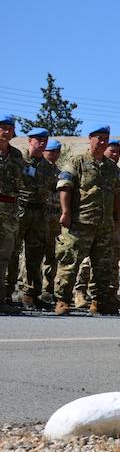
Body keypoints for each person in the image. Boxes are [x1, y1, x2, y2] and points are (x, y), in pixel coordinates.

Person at [53, 124, 120, 316]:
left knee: (103, 265)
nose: (102, 142)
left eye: (106, 139)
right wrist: (66, 212)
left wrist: (117, 220)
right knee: (70, 262)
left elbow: (117, 195)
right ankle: (62, 300)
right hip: (80, 222)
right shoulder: (77, 162)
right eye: (99, 138)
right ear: (90, 138)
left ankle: (99, 301)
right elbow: (65, 187)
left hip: (104, 224)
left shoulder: (111, 167)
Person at [75, 138, 120, 307]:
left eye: (118, 151)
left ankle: (109, 293)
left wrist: (118, 223)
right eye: (112, 151)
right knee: (85, 260)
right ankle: (80, 292)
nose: (115, 154)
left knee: (111, 258)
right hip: (89, 220)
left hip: (111, 221)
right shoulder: (90, 167)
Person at [9, 127, 56, 310]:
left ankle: (30, 294)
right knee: (12, 252)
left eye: (45, 140)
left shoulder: (47, 166)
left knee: (35, 255)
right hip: (20, 210)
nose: (42, 143)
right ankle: (7, 292)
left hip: (39, 214)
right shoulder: (19, 160)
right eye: (38, 140)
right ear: (30, 141)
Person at [0, 115, 26, 315]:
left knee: (4, 257)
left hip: (9, 212)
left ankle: (1, 299)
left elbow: (21, 184)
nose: (7, 131)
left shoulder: (16, 155)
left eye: (10, 128)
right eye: (3, 127)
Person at [41, 138, 62, 303]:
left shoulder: (60, 173)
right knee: (33, 254)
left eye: (56, 152)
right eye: (51, 151)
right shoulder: (37, 169)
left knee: (52, 255)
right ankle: (27, 288)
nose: (54, 154)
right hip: (39, 217)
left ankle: (47, 289)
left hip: (54, 219)